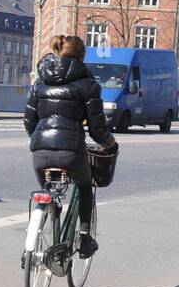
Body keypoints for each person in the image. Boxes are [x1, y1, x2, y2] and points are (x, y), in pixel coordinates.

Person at [23, 34, 118, 258]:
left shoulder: (40, 82)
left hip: (39, 153)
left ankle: (48, 213)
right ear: (81, 57)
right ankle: (84, 239)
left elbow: (29, 121)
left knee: (48, 190)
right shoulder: (88, 86)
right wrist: (109, 144)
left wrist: (39, 138)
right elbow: (97, 128)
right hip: (71, 153)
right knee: (85, 186)